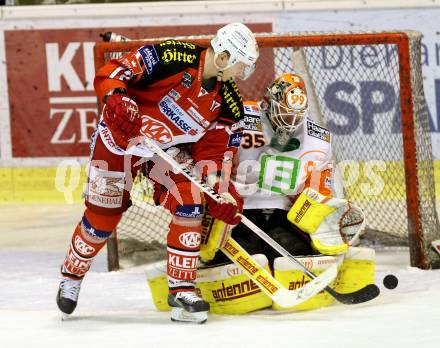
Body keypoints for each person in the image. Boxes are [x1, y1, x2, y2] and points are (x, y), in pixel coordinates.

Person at [56, 23, 259, 324]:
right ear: (225, 56)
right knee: (102, 218)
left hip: (164, 152)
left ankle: (181, 290)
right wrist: (118, 100)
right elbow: (114, 72)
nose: (242, 75)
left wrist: (219, 190)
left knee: (189, 201)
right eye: (241, 66)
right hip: (120, 140)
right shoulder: (173, 55)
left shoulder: (228, 102)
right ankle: (71, 276)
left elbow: (212, 154)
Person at [206, 72, 363, 267]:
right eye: (285, 114)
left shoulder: (318, 138)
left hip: (284, 212)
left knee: (295, 252)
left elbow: (318, 183)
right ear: (268, 103)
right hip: (240, 209)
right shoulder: (240, 117)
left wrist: (319, 205)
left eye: (295, 116)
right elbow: (212, 157)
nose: (290, 122)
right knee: (244, 254)